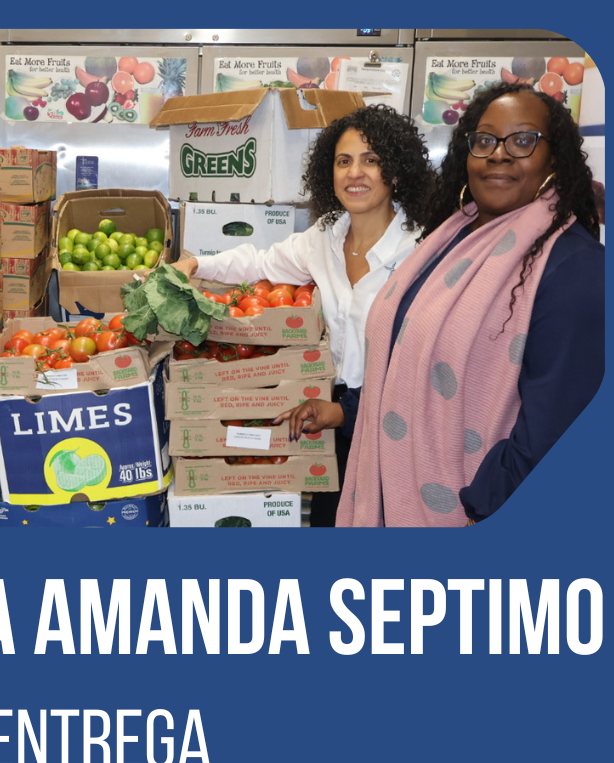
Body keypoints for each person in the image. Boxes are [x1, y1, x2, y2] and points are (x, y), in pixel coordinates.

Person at [338, 83, 603, 527]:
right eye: (485, 140)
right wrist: (347, 412)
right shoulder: (448, 240)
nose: (499, 154)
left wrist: (476, 506)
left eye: (523, 140)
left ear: (554, 158)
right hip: (389, 499)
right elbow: (412, 358)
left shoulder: (576, 268)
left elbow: (558, 433)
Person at [173, 104, 432, 525]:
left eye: (371, 161)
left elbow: (424, 362)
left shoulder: (422, 250)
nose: (355, 173)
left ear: (397, 171)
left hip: (396, 425)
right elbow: (260, 262)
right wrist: (195, 265)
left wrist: (349, 410)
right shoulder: (325, 237)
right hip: (331, 419)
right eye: (344, 161)